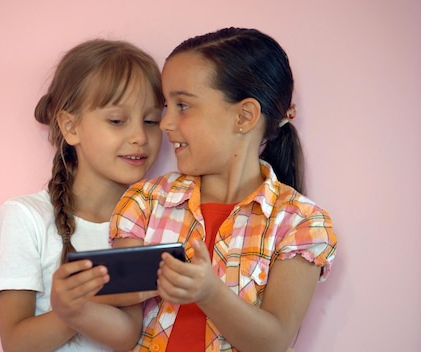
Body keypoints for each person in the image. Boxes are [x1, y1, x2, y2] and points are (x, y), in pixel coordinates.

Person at [55, 27, 338, 352]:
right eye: (166, 107)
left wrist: (210, 293)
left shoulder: (301, 223)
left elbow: (273, 342)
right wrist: (74, 309)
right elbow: (126, 331)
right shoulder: (144, 202)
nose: (164, 124)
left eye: (183, 106)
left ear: (244, 116)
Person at [0, 38, 165, 352]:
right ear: (70, 126)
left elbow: (128, 336)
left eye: (152, 121)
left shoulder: (157, 221)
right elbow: (16, 343)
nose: (140, 136)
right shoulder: (25, 216)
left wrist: (82, 305)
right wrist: (71, 308)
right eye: (117, 120)